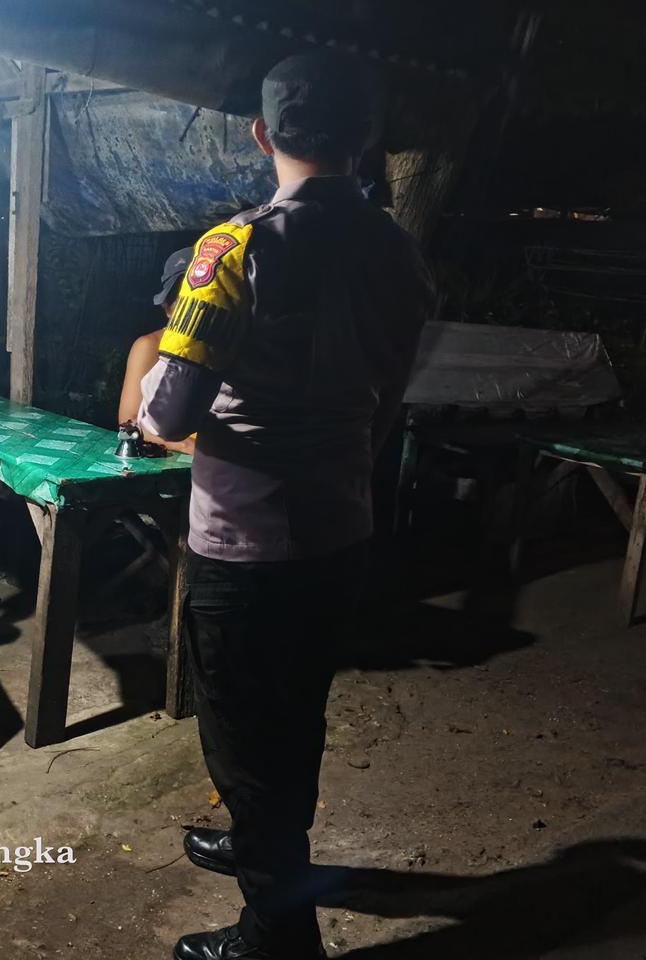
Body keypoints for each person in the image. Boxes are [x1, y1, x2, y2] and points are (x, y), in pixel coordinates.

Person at [140, 51, 435, 960]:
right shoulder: (396, 250)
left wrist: (149, 393)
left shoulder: (234, 250)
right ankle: (262, 844)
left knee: (241, 735)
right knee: (296, 712)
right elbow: (390, 396)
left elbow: (168, 415)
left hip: (245, 543)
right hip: (340, 530)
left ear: (263, 134)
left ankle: (277, 933)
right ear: (367, 138)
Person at [117, 246, 196, 456]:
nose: (194, 310)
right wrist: (188, 446)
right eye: (183, 300)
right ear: (167, 307)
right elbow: (129, 422)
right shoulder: (149, 346)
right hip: (173, 460)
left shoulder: (226, 348)